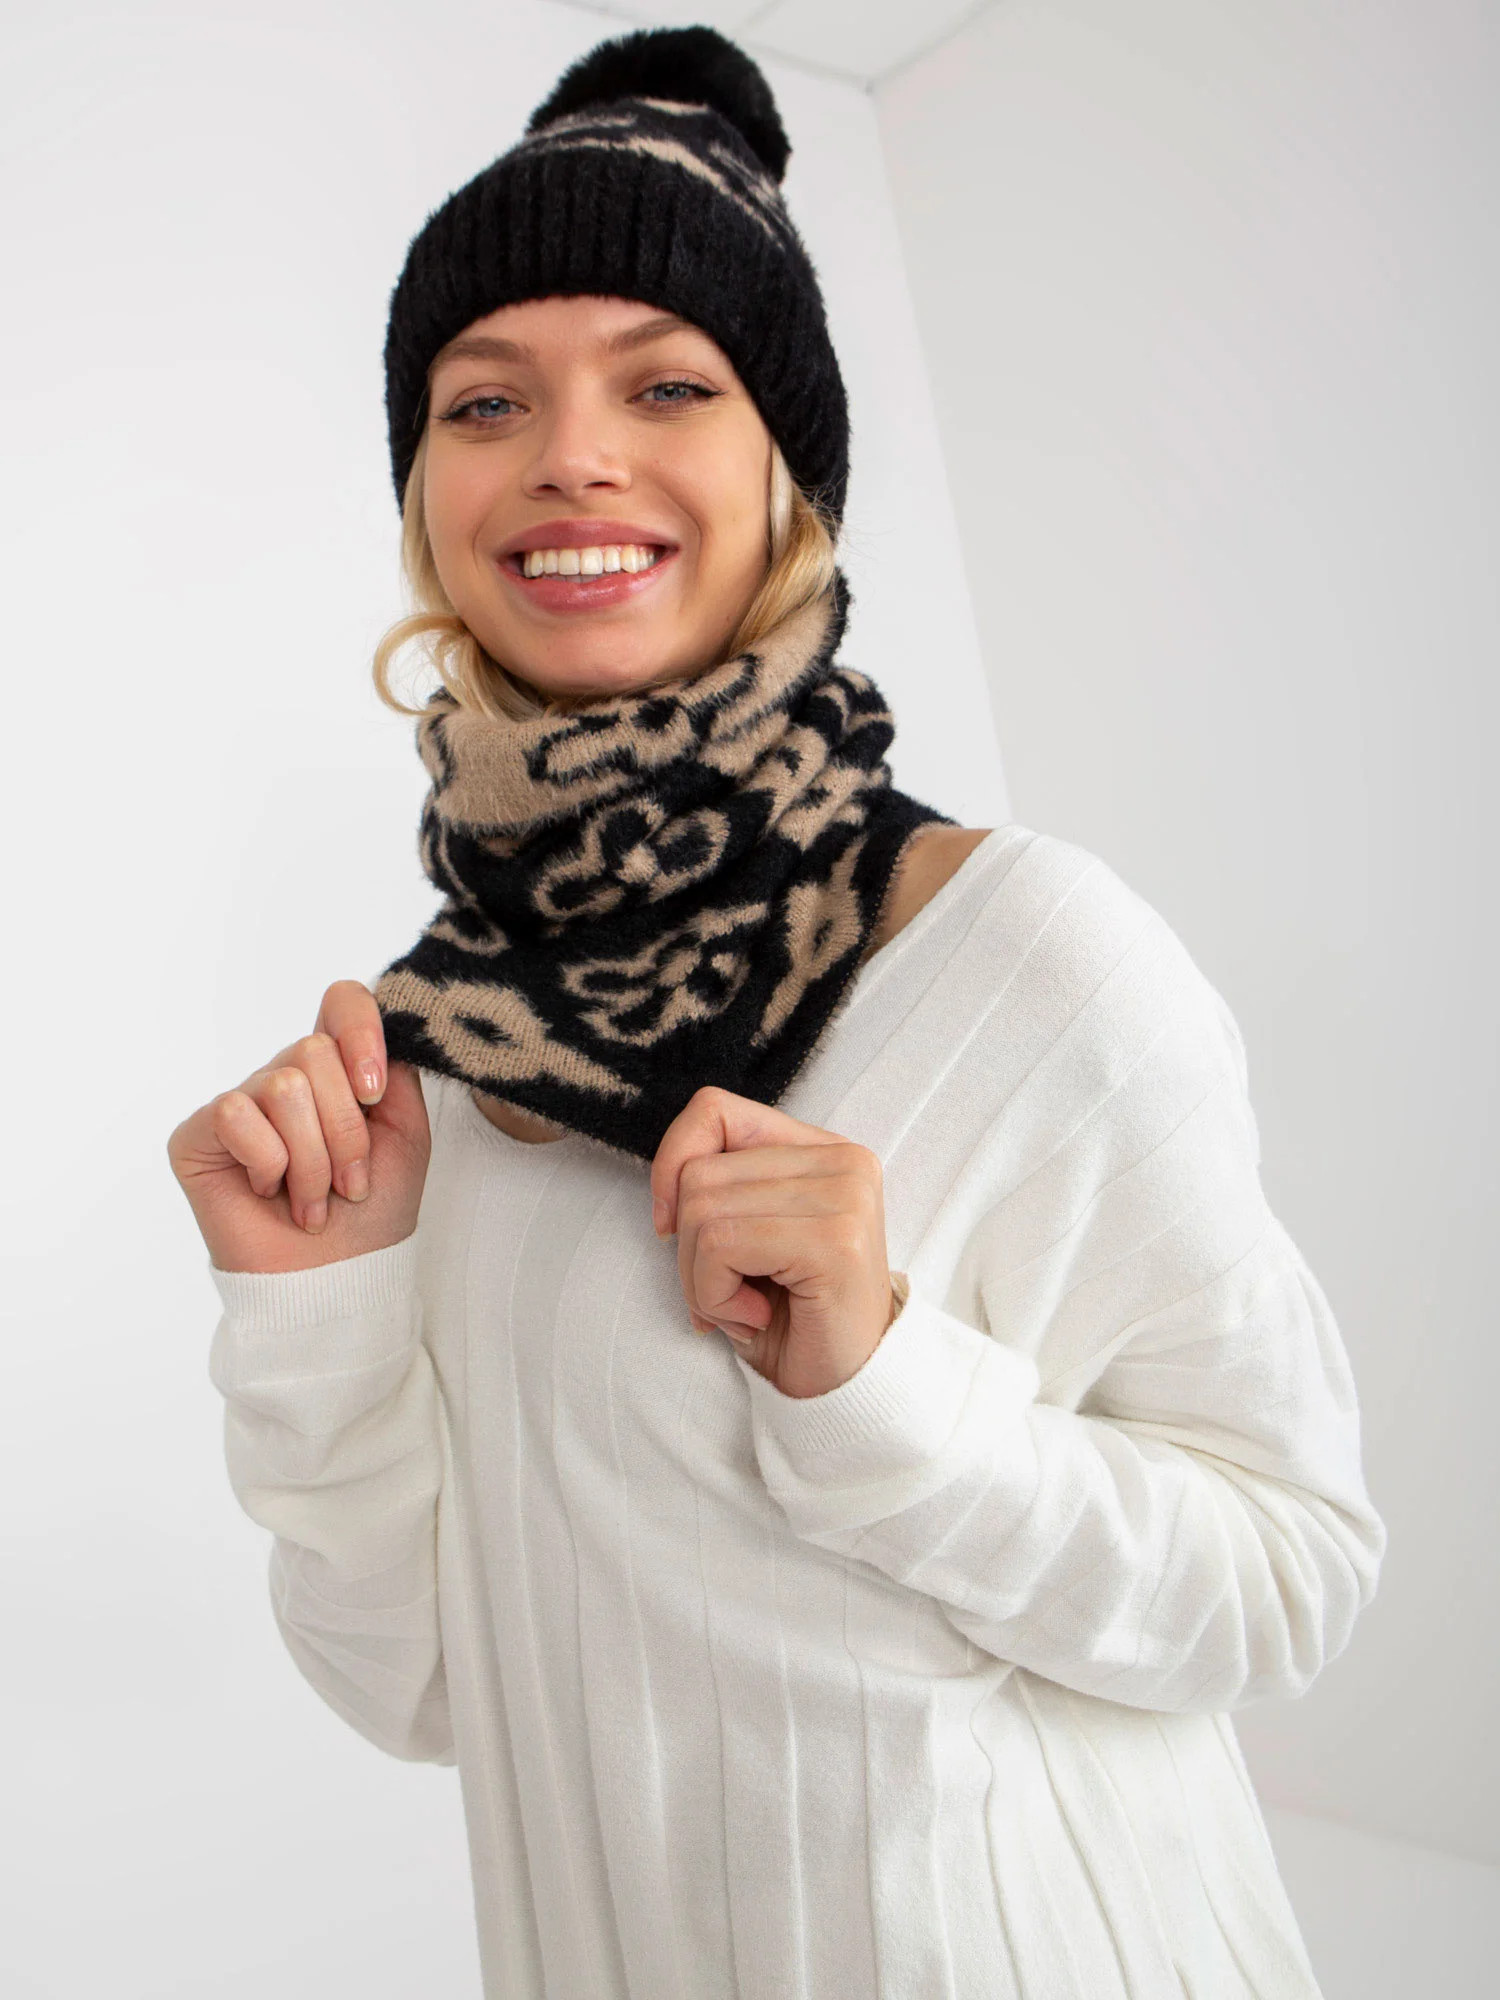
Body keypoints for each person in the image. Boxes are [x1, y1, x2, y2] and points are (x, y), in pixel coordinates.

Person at [166, 26, 1385, 2000]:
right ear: (426, 491)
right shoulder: (453, 1065)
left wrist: (884, 1385)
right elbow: (446, 1695)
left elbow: (1289, 1578)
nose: (571, 454)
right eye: (486, 400)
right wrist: (320, 1323)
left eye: (669, 383)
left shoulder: (1031, 956)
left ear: (785, 476)